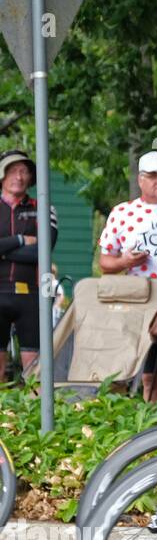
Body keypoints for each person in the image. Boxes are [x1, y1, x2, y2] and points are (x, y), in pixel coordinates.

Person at [98, 151, 157, 399]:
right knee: (145, 371)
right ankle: (143, 420)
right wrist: (124, 261)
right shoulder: (122, 212)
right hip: (140, 300)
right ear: (140, 180)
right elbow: (105, 262)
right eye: (153, 176)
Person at [0, 150, 57, 380]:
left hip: (32, 294)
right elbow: (32, 247)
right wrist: (21, 240)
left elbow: (43, 251)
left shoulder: (44, 208)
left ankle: (33, 415)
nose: (19, 177)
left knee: (35, 370)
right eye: (13, 171)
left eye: (24, 171)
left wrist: (4, 252)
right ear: (2, 175)